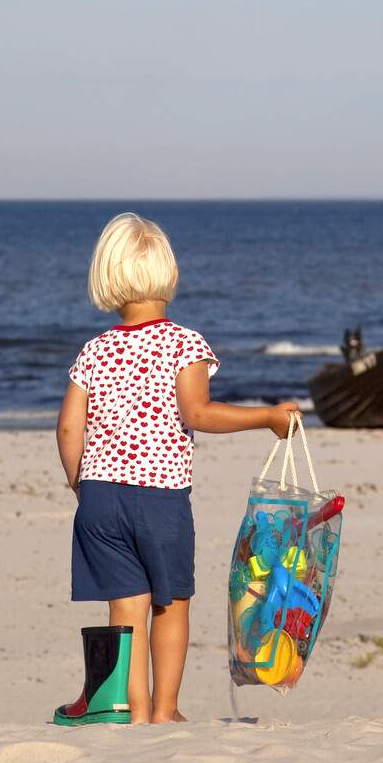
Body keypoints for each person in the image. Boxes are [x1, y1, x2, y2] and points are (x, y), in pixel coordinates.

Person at [56, 212, 298, 724]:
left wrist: (80, 482)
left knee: (126, 610)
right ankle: (166, 709)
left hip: (100, 496)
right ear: (168, 273)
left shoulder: (94, 350)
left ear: (107, 276)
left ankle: (135, 709)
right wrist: (268, 417)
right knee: (171, 604)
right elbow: (199, 414)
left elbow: (67, 429)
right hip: (161, 497)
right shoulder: (184, 342)